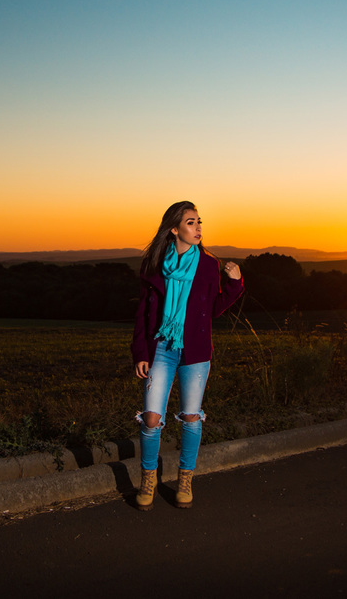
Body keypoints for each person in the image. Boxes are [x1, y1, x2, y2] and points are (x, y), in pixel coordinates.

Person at [131, 201, 244, 510]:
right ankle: (148, 479)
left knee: (191, 417)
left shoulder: (208, 265)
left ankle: (185, 479)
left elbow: (214, 308)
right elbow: (142, 313)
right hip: (160, 348)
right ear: (174, 229)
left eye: (199, 222)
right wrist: (140, 352)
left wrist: (235, 284)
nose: (198, 227)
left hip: (195, 351)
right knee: (151, 418)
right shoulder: (154, 264)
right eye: (191, 222)